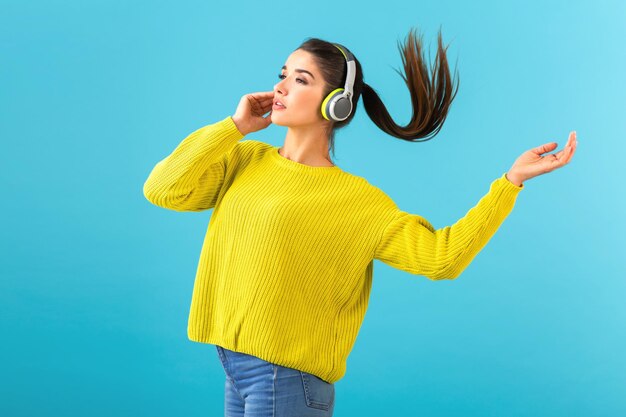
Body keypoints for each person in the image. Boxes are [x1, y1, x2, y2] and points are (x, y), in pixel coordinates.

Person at [143, 28, 577, 417]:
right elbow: (163, 189)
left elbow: (442, 258)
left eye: (301, 79)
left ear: (337, 103)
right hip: (237, 367)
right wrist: (234, 127)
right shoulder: (243, 159)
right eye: (283, 73)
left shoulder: (358, 201)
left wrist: (510, 182)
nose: (280, 87)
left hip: (287, 378)